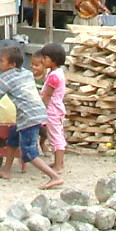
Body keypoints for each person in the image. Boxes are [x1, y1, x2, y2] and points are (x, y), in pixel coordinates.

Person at [0, 45, 63, 189]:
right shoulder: (26, 73)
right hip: (37, 112)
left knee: (29, 152)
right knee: (12, 136)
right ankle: (6, 171)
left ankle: (54, 177)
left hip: (28, 117)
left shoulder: (4, 79)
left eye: (2, 61)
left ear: (12, 64)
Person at [37, 42, 68, 173]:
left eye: (45, 58)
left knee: (55, 137)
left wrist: (40, 108)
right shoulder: (55, 72)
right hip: (55, 108)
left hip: (52, 109)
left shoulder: (54, 77)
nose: (42, 60)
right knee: (55, 135)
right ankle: (58, 162)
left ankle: (59, 165)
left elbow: (47, 95)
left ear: (53, 60)